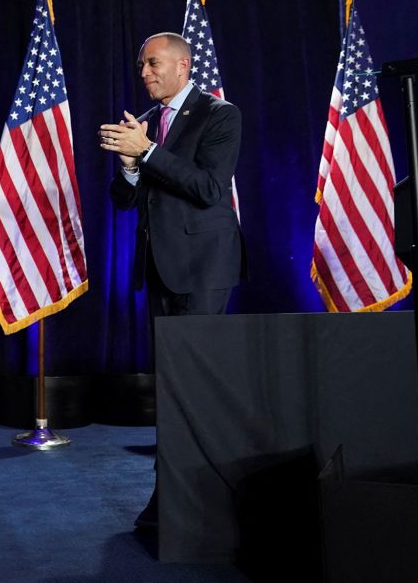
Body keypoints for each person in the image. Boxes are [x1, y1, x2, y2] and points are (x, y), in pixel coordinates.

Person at [98, 31, 244, 530]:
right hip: (159, 267)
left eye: (153, 64)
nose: (144, 73)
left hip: (204, 268)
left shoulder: (220, 115)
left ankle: (204, 504)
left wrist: (149, 153)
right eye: (141, 66)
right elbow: (124, 200)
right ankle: (171, 499)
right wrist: (130, 167)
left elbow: (207, 188)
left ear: (183, 66)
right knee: (169, 387)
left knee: (196, 385)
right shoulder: (143, 124)